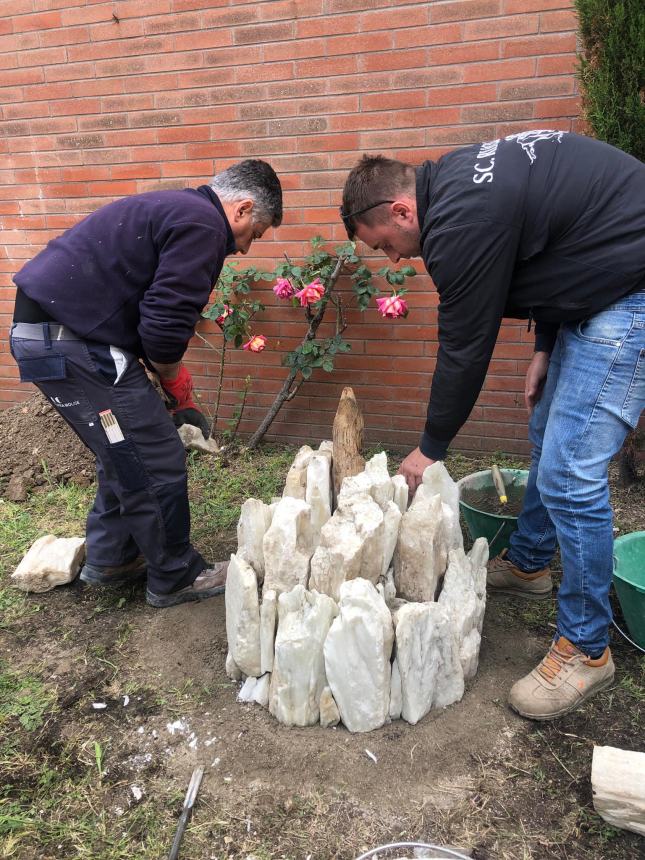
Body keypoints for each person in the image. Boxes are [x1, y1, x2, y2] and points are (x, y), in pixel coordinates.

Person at [340, 130, 645, 720]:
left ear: (403, 210)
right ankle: (531, 566)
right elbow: (564, 244)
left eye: (385, 245)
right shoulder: (454, 184)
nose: (395, 259)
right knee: (545, 437)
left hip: (631, 292)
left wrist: (429, 449)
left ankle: (586, 648)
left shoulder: (456, 224)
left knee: (569, 471)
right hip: (603, 284)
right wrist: (547, 347)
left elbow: (463, 348)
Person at [10, 159, 282, 608]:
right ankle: (175, 574)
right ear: (243, 209)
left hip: (52, 335)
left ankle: (114, 558)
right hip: (72, 342)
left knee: (123, 447)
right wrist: (175, 383)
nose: (247, 249)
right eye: (256, 232)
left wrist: (174, 392)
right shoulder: (204, 224)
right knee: (154, 453)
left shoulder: (176, 209)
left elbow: (150, 316)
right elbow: (162, 326)